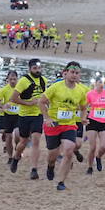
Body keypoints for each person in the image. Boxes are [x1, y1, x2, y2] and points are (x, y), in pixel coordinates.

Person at [38, 61, 86, 191]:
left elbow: (83, 106)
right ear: (66, 73)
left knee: (69, 150)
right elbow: (41, 102)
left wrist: (82, 118)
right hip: (54, 124)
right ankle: (50, 166)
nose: (74, 75)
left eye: (77, 73)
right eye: (72, 72)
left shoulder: (81, 91)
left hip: (69, 125)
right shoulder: (56, 87)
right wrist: (47, 118)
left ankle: (61, 182)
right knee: (52, 154)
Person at [9, 58, 47, 180]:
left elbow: (46, 97)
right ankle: (16, 158)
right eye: (35, 68)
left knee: (36, 140)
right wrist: (28, 103)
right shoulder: (24, 81)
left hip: (38, 115)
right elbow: (13, 98)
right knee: (23, 142)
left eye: (39, 68)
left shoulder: (43, 80)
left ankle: (34, 169)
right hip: (24, 115)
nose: (37, 70)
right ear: (30, 69)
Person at [85, 75, 105, 175]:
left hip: (104, 122)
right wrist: (84, 118)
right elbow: (84, 106)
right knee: (92, 147)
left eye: (103, 82)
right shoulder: (89, 94)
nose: (101, 85)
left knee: (104, 146)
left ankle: (98, 157)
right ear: (95, 84)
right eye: (99, 83)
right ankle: (89, 167)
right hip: (92, 121)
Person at [0, 70, 20, 164]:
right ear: (7, 79)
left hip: (18, 115)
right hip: (7, 116)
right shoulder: (3, 90)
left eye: (14, 79)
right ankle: (10, 157)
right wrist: (3, 106)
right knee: (8, 137)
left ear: (17, 79)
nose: (12, 81)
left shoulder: (21, 89)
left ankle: (18, 147)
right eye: (10, 79)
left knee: (17, 134)